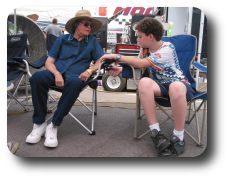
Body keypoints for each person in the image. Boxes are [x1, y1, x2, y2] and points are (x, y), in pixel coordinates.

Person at [100, 17, 194, 156]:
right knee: (144, 82)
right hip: (160, 86)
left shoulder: (167, 48)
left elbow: (141, 64)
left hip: (180, 85)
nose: (137, 40)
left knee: (176, 87)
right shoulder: (145, 49)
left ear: (150, 36)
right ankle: (156, 132)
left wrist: (116, 56)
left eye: (140, 36)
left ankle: (178, 135)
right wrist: (121, 70)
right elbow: (141, 68)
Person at [26, 9, 104, 148]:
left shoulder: (92, 41)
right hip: (57, 72)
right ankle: (39, 123)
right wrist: (56, 74)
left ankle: (54, 125)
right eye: (86, 24)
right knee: (37, 78)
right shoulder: (62, 39)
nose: (89, 27)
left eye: (91, 25)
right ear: (76, 25)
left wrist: (89, 70)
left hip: (77, 75)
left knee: (75, 83)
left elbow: (101, 60)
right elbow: (49, 62)